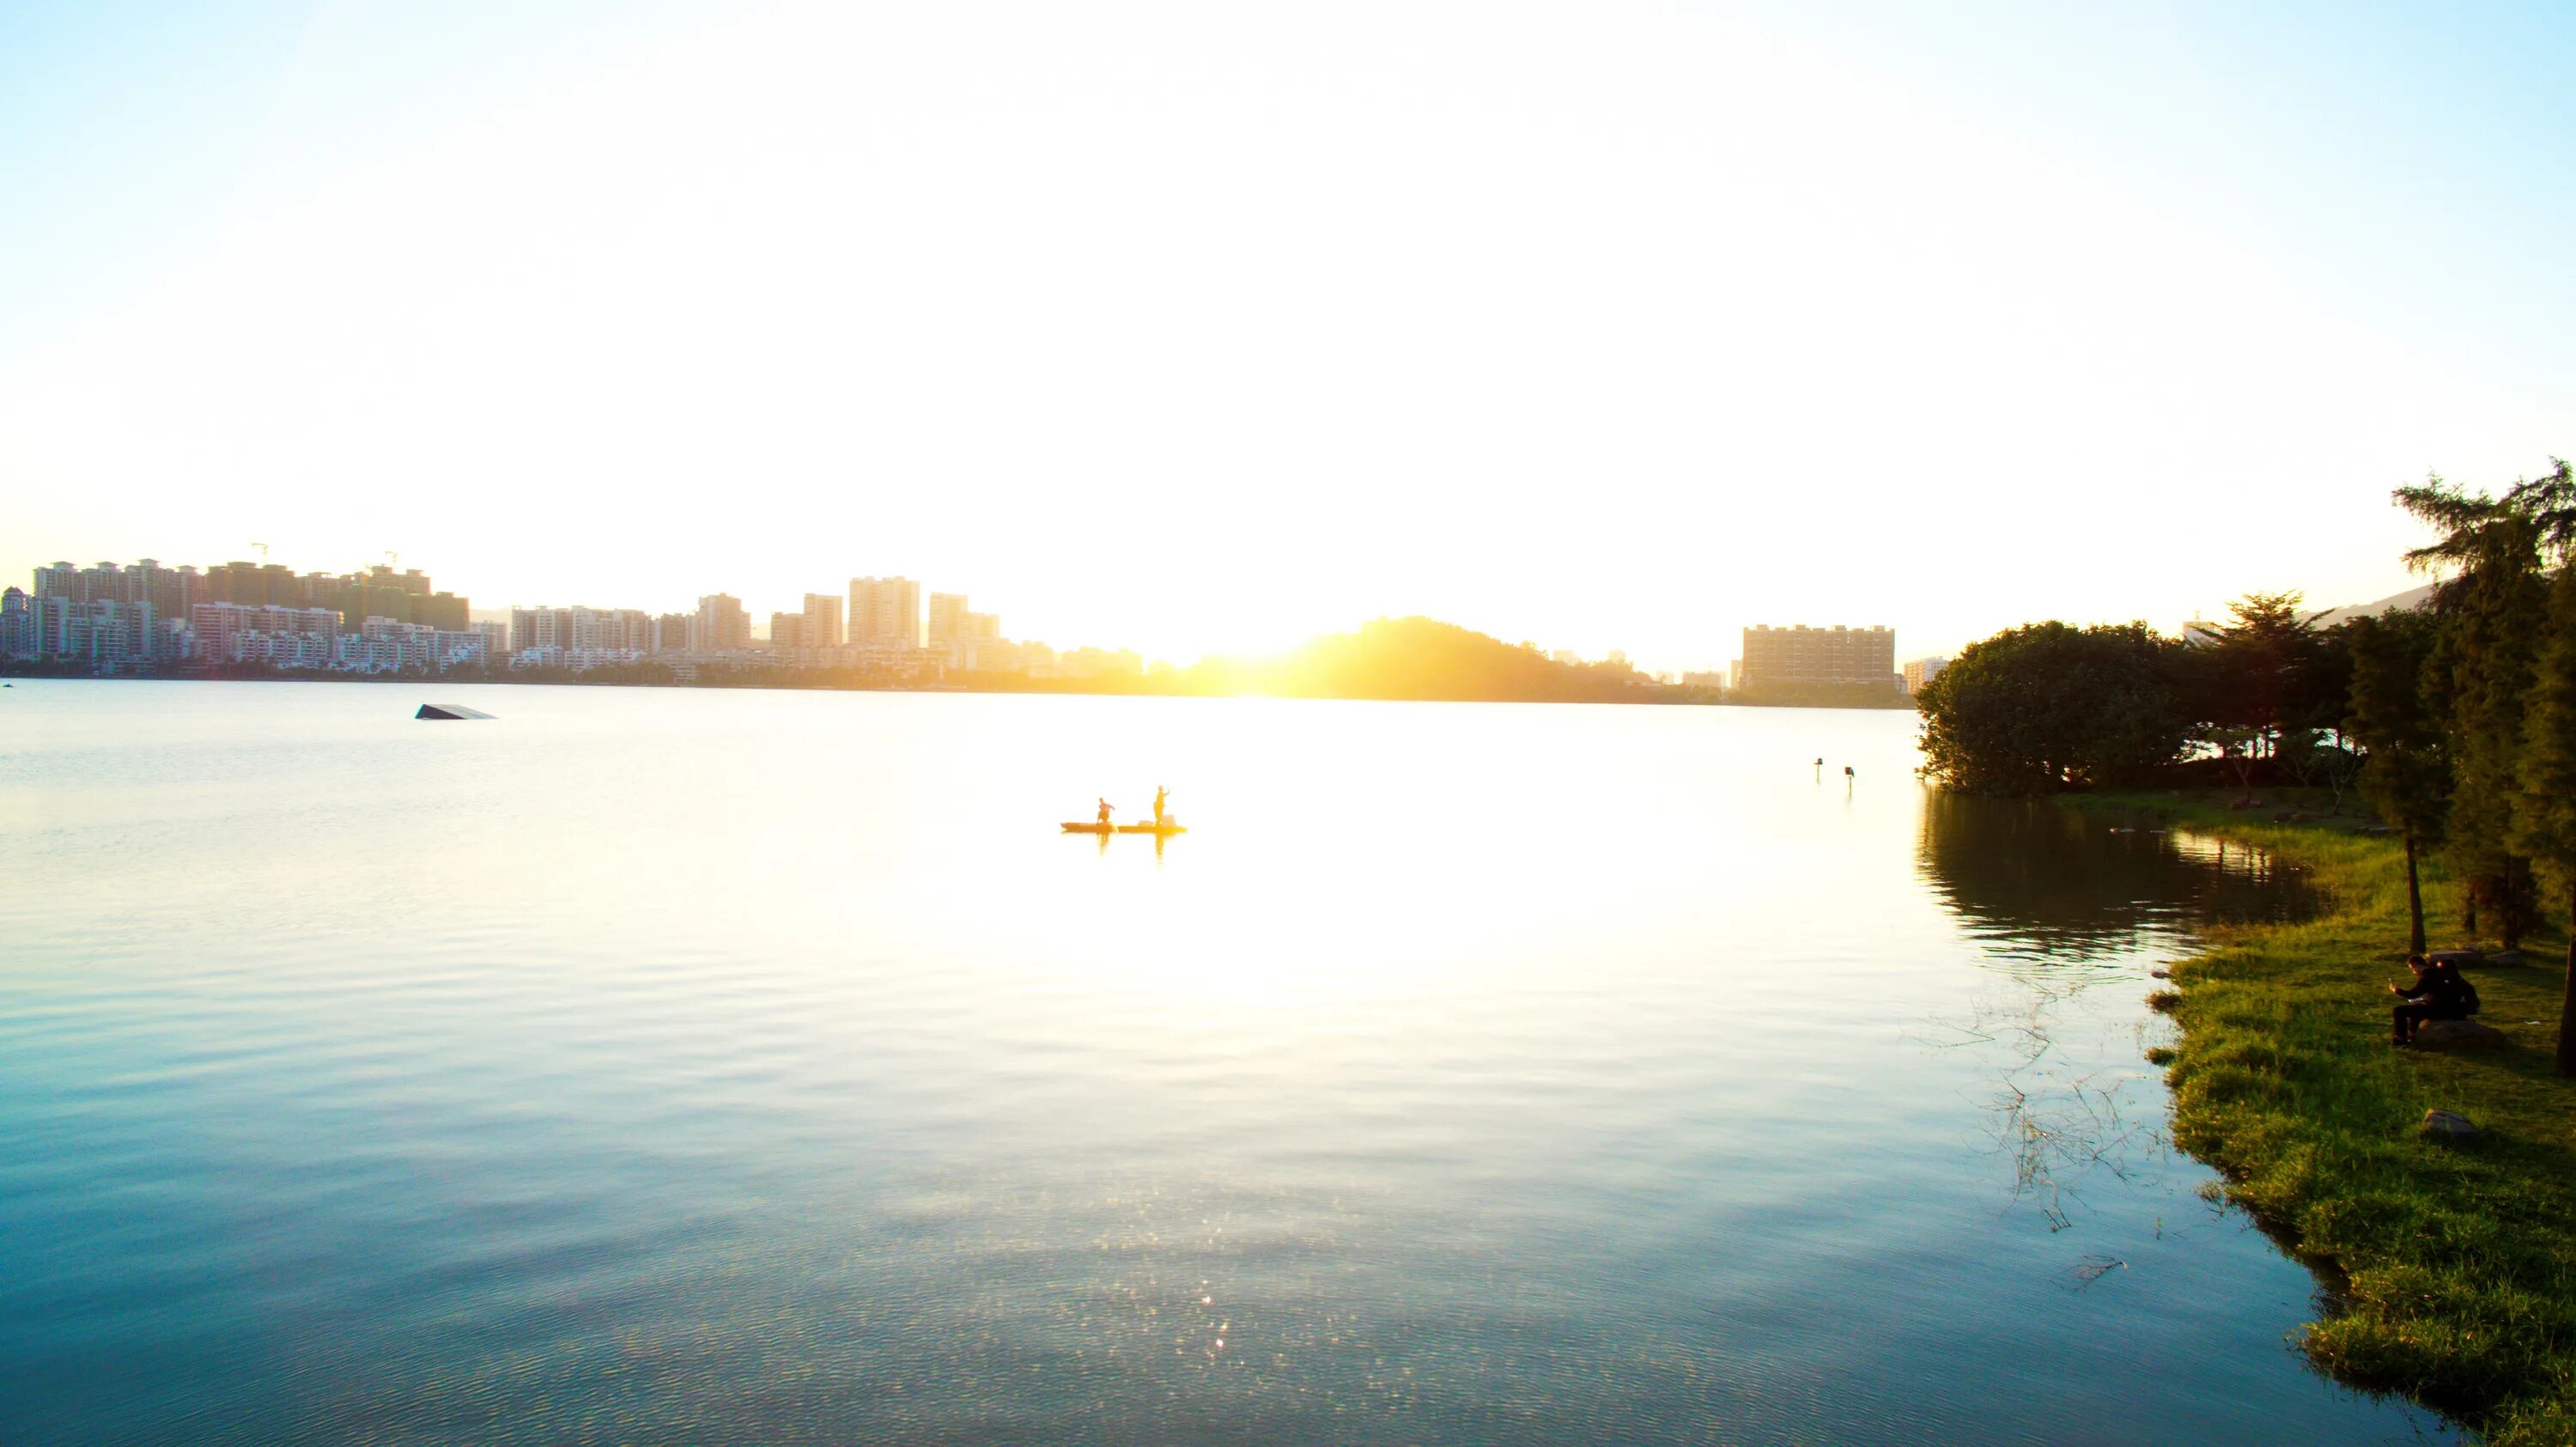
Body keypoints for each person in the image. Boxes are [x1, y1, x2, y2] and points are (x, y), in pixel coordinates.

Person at [2389, 953, 2476, 1045]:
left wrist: (2396, 990)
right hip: (2452, 1010)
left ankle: (2400, 1038)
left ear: (2417, 966)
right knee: (2418, 1009)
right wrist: (2426, 1001)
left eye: (2412, 969)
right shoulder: (2441, 973)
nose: (2414, 972)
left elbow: (2412, 994)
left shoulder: (2427, 977)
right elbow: (2441, 994)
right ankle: (2411, 1034)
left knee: (2399, 1010)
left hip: (2439, 1011)